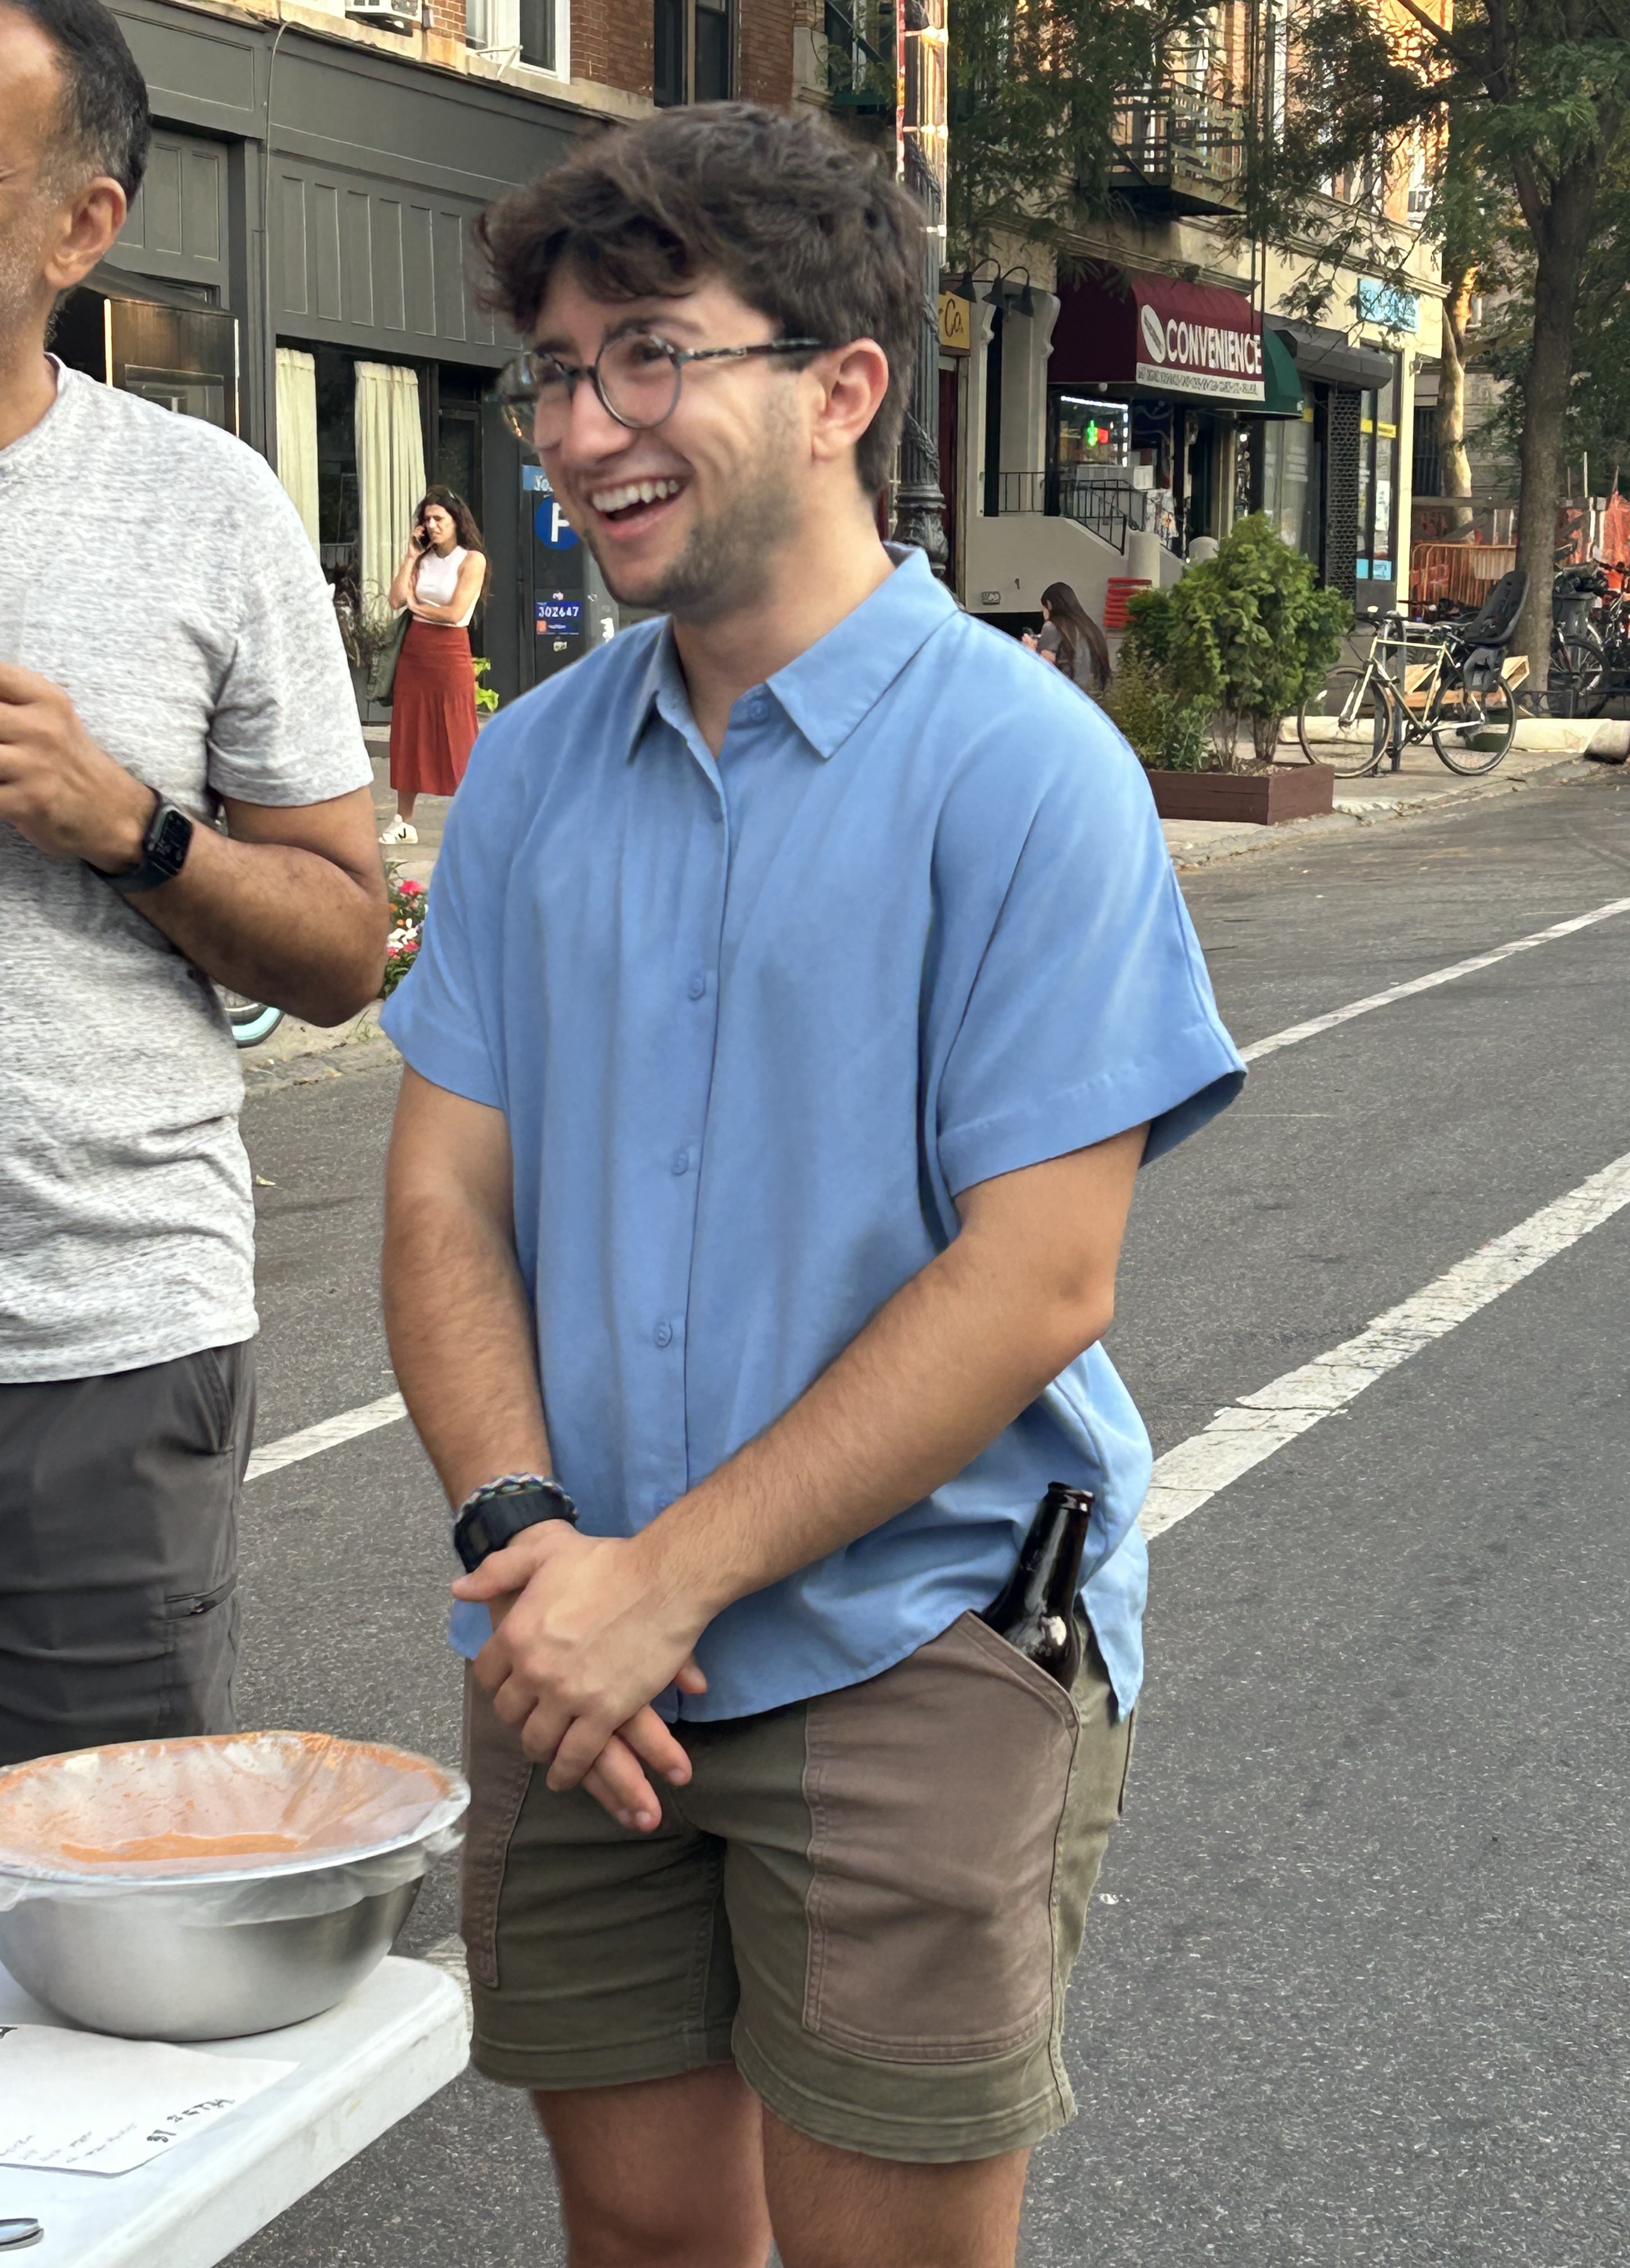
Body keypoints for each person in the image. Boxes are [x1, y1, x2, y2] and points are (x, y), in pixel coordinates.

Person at [380, 104, 1242, 2268]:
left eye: (648, 354)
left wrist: (665, 1576)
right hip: (581, 1631)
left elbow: (1034, 1280)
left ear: (844, 385)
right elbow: (438, 1198)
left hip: (911, 1628)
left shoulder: (1022, 774)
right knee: (644, 2223)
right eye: (556, 374)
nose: (582, 430)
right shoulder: (534, 772)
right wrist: (529, 1536)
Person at [0, 0, 387, 1766]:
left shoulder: (200, 507)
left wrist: (126, 822)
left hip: (96, 1348)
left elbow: (344, 949)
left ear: (85, 226)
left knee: (107, 1952)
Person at [380, 485, 488, 846]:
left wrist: (419, 607)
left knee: (457, 733)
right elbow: (396, 599)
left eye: (438, 518)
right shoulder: (422, 560)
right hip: (416, 655)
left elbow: (456, 613)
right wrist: (410, 557)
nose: (432, 525)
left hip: (450, 653)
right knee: (408, 734)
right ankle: (403, 820)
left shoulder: (472, 560)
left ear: (456, 521)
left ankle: (476, 818)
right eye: (427, 519)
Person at [1022, 580, 1110, 693]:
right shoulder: (1090, 628)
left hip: (1066, 694)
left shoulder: (1052, 627)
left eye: (1043, 609)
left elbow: (1044, 667)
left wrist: (1031, 650)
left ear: (1049, 605)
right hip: (1090, 697)